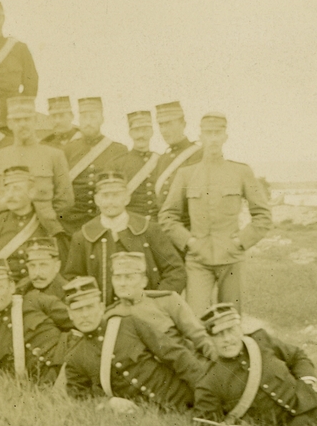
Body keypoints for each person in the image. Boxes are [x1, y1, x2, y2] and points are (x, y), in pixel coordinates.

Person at [158, 112, 272, 314]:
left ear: (225, 136)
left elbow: (263, 215)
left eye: (217, 133)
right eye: (207, 133)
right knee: (196, 319)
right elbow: (167, 216)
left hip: (231, 259)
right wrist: (190, 242)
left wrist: (240, 241)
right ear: (200, 136)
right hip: (198, 260)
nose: (212, 139)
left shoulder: (241, 172)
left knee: (231, 319)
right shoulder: (186, 174)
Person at [59, 276, 206, 410]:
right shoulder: (75, 357)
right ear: (70, 314)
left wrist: (205, 393)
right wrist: (107, 404)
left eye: (90, 307)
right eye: (78, 310)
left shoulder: (129, 324)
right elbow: (79, 400)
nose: (85, 315)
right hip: (147, 415)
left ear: (101, 307)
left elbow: (177, 355)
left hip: (183, 398)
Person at [65, 171, 185, 303]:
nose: (110, 202)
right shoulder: (82, 236)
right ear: (96, 200)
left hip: (148, 311)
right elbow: (73, 278)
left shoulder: (149, 229)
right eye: (105, 196)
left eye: (116, 195)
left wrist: (156, 303)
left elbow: (175, 271)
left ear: (127, 198)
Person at [0, 259, 72, 384]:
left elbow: (76, 322)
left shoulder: (35, 301)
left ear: (11, 287)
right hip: (35, 389)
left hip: (69, 372)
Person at [0, 96, 74, 226]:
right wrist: (6, 201)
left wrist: (47, 218)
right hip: (7, 227)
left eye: (27, 119)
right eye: (17, 120)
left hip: (43, 228)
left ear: (35, 121)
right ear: (9, 124)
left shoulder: (55, 155)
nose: (22, 124)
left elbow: (65, 200)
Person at [0, 165, 67, 284]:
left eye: (17, 189)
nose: (10, 195)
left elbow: (61, 272)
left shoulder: (49, 226)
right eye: (6, 190)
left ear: (32, 192)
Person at [106, 252, 215, 360]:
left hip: (186, 366)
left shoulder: (167, 300)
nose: (122, 283)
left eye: (129, 278)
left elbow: (199, 337)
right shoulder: (109, 315)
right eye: (117, 277)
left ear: (144, 281)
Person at [60, 97, 128, 233]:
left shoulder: (118, 149)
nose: (88, 122)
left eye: (93, 117)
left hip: (105, 219)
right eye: (84, 117)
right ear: (79, 119)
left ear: (102, 119)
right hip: (72, 222)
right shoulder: (67, 150)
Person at [152, 101, 204, 218]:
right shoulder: (162, 159)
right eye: (161, 125)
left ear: (183, 124)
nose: (164, 130)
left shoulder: (199, 153)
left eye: (169, 124)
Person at [110, 110, 160, 218]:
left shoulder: (161, 160)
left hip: (158, 223)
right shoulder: (118, 163)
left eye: (145, 130)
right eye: (136, 130)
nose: (141, 135)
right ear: (130, 133)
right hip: (131, 222)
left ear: (152, 132)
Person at [20, 237, 69, 303]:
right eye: (32, 266)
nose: (37, 273)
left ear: (57, 266)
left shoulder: (69, 295)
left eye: (43, 265)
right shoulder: (21, 290)